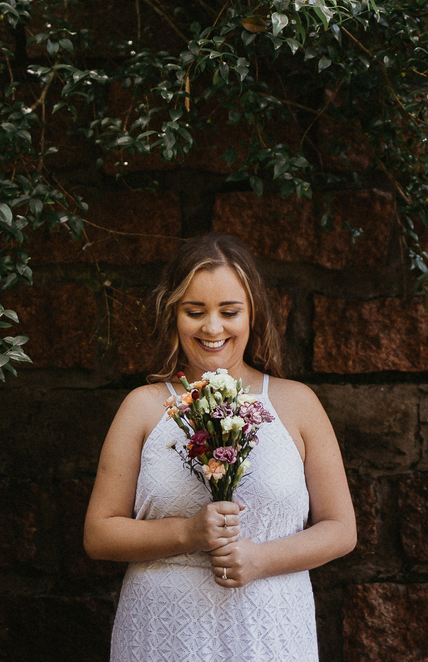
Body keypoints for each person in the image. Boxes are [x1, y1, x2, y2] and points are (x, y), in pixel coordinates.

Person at [84, 234, 356, 661]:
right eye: (195, 312)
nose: (213, 328)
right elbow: (99, 533)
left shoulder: (296, 403)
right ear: (174, 314)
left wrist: (262, 559)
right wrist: (187, 532)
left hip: (269, 630)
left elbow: (341, 528)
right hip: (164, 633)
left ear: (253, 315)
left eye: (229, 312)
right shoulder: (142, 408)